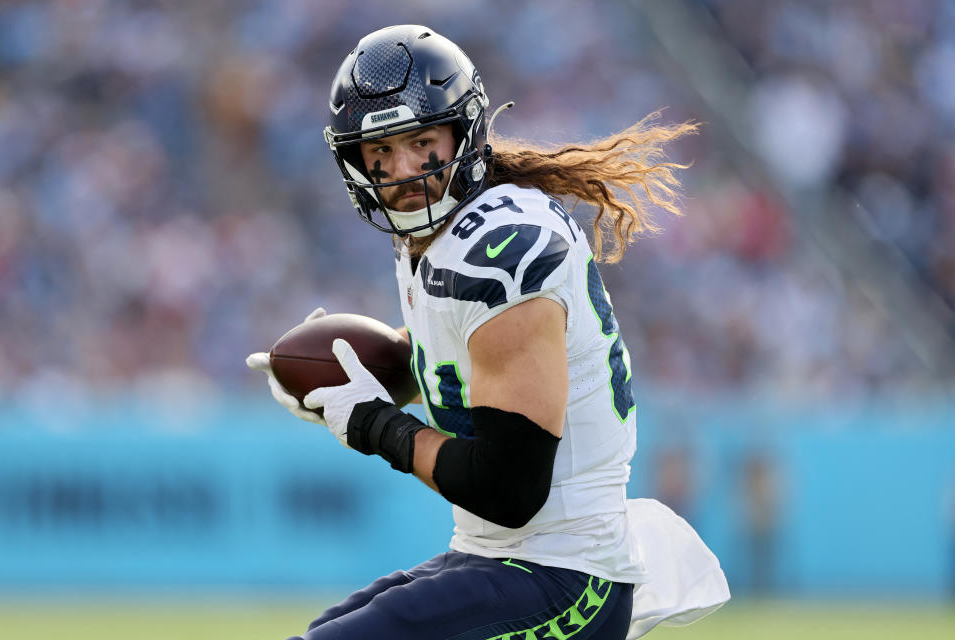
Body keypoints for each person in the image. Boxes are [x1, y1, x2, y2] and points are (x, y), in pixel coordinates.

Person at [247, 24, 729, 640]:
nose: (403, 172)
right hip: (498, 557)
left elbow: (510, 488)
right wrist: (354, 377)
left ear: (462, 132)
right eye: (380, 154)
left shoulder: (500, 253)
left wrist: (374, 424)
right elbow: (461, 360)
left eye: (420, 141)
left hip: (565, 575)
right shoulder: (438, 241)